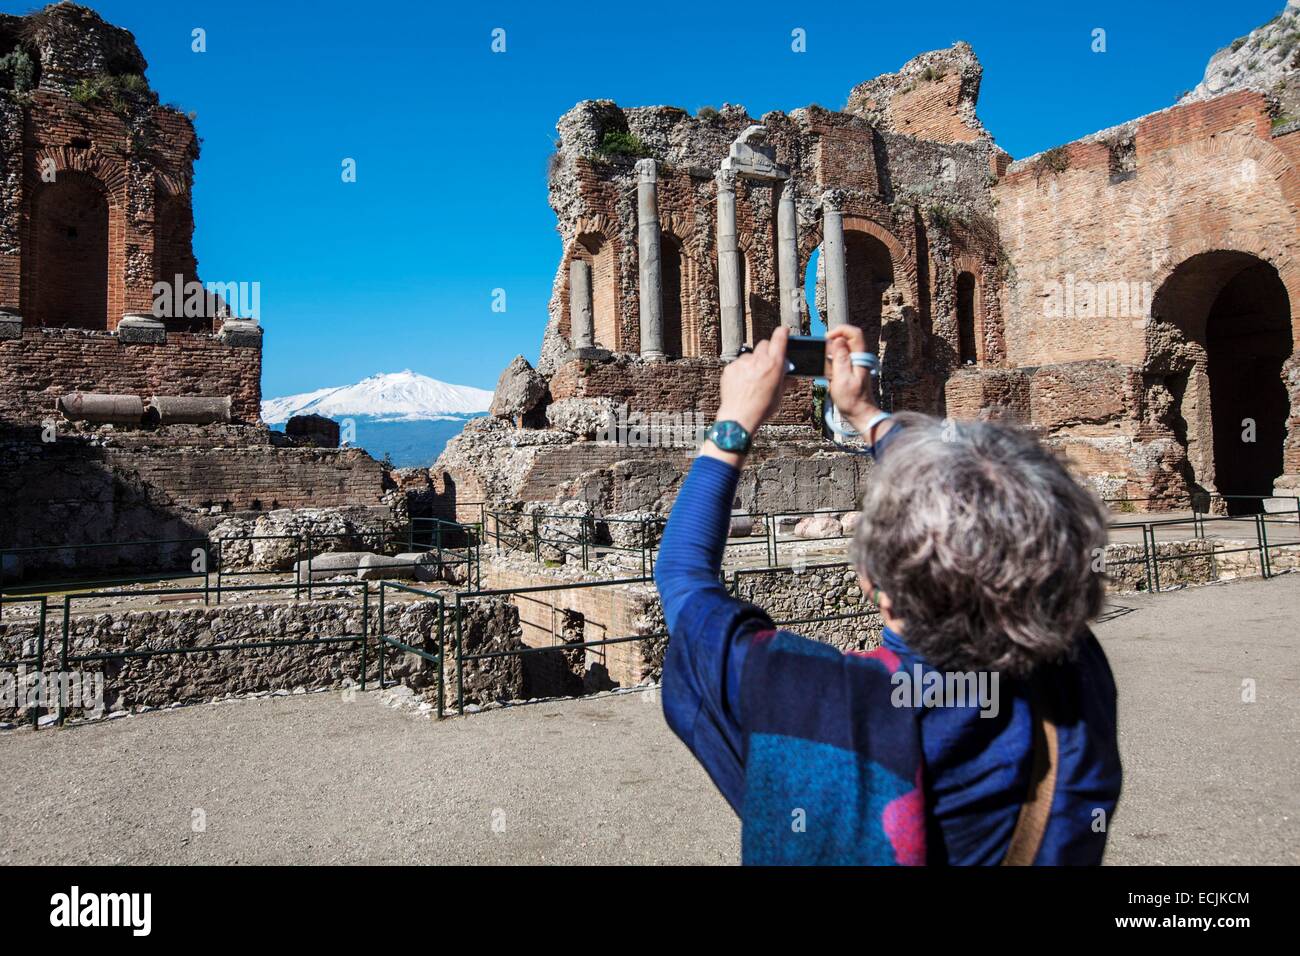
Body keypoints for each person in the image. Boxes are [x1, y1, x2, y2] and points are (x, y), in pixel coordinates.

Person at [654, 325, 1122, 865]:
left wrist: (733, 422)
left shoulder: (804, 701)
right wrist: (866, 413)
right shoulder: (1075, 677)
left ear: (871, 578)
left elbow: (684, 580)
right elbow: (984, 504)